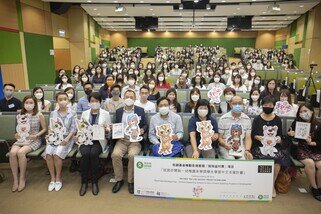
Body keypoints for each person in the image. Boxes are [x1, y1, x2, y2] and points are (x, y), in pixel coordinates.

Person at [250, 95, 289, 198]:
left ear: (274, 106)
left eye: (270, 105)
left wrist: (278, 139)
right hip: (259, 146)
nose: (268, 106)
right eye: (265, 105)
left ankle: (271, 185)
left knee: (276, 163)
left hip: (274, 146)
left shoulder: (277, 119)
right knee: (260, 159)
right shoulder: (257, 119)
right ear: (262, 105)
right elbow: (253, 135)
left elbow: (280, 134)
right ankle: (260, 184)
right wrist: (258, 137)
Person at [111, 89, 147, 194]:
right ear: (123, 98)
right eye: (127, 97)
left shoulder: (140, 110)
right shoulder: (119, 111)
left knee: (132, 156)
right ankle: (119, 180)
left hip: (135, 141)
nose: (129, 99)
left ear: (135, 99)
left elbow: (145, 124)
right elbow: (116, 125)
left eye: (131, 97)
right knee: (115, 155)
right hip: (122, 141)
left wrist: (142, 130)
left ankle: (131, 181)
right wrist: (114, 129)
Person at [9, 95, 47, 192]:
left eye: (31, 103)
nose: (28, 105)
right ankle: (15, 180)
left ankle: (22, 178)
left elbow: (44, 129)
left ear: (34, 104)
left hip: (34, 139)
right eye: (26, 103)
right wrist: (16, 134)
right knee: (12, 153)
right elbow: (18, 130)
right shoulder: (19, 115)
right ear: (23, 104)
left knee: (20, 153)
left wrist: (36, 135)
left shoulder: (39, 115)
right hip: (21, 139)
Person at [78, 92, 111, 196]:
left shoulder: (106, 114)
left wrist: (107, 129)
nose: (94, 103)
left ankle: (94, 182)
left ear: (100, 102)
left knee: (93, 154)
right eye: (92, 101)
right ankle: (83, 182)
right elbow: (81, 128)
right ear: (89, 102)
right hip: (86, 139)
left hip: (99, 140)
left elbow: (109, 131)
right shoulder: (84, 113)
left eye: (96, 101)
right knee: (85, 154)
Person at [44, 92, 77, 192]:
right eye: (60, 99)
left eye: (65, 99)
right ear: (57, 101)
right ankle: (52, 178)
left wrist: (67, 139)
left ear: (68, 100)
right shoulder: (53, 113)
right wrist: (50, 136)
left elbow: (73, 129)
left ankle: (58, 178)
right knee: (48, 154)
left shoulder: (72, 113)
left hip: (67, 138)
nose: (63, 101)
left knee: (57, 155)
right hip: (54, 137)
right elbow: (50, 127)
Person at [288, 103, 321, 201]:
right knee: (310, 163)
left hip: (314, 149)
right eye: (301, 112)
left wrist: (312, 143)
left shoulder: (318, 125)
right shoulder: (297, 122)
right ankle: (314, 188)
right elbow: (289, 135)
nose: (303, 113)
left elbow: (319, 142)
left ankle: (320, 187)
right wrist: (290, 134)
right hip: (300, 148)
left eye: (305, 111)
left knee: (320, 165)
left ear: (312, 111)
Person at [218, 95, 253, 160]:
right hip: (226, 146)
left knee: (244, 159)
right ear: (230, 104)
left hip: (241, 146)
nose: (237, 105)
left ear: (243, 104)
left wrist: (247, 150)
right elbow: (219, 138)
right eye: (234, 104)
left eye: (240, 103)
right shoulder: (223, 119)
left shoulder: (247, 119)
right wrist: (225, 144)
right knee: (231, 159)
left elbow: (248, 138)